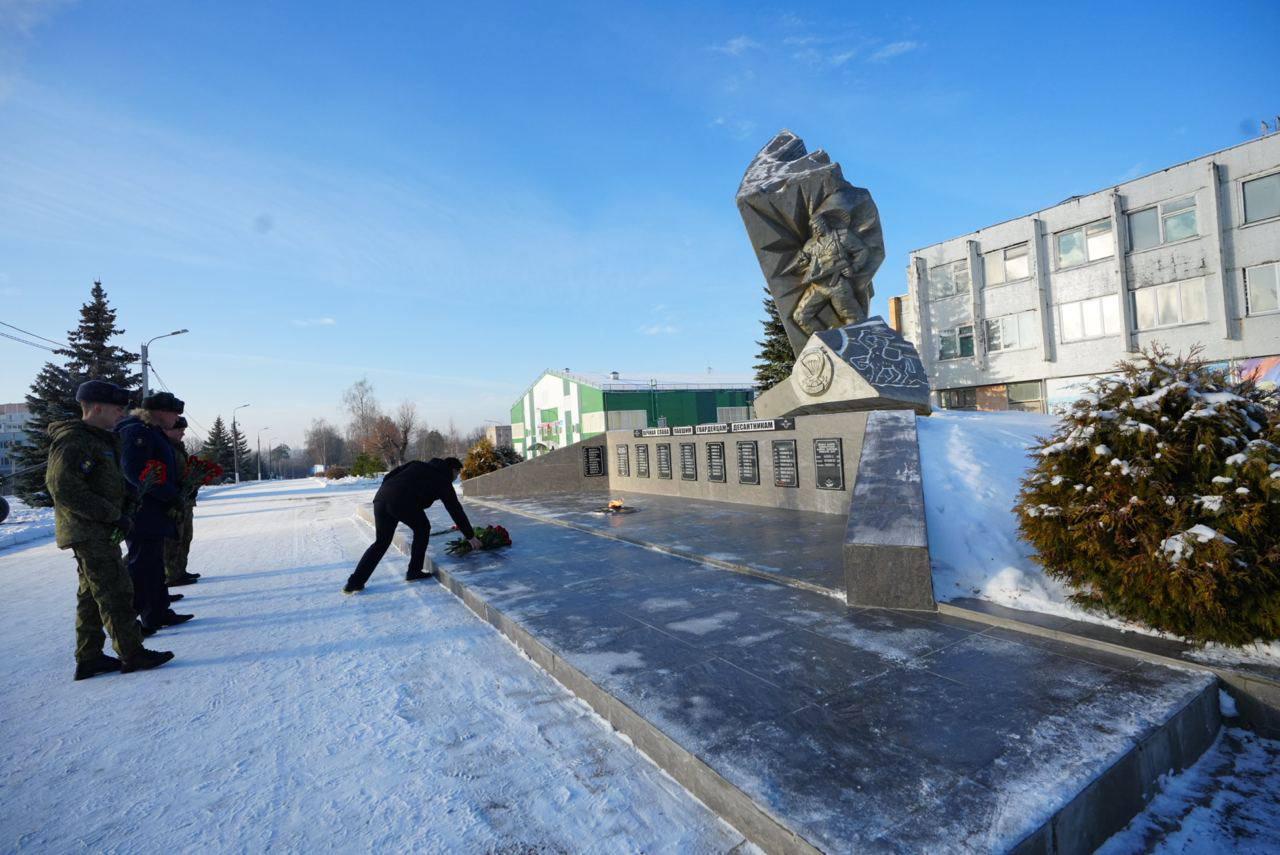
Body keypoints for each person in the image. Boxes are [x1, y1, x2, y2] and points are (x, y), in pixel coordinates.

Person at [46, 380, 174, 680]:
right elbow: (62, 487)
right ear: (96, 407)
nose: (122, 413)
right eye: (118, 408)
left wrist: (128, 497)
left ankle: (89, 657)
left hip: (99, 529)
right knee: (116, 591)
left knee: (91, 595)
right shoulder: (74, 440)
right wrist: (112, 515)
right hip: (89, 530)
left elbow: (110, 480)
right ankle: (132, 653)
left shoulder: (101, 438)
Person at [344, 456, 480, 594]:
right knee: (423, 528)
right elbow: (455, 509)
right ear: (452, 469)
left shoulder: (416, 464)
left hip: (381, 498)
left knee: (381, 542)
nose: (456, 477)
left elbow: (390, 475)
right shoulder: (443, 479)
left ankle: (354, 582)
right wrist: (470, 536)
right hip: (401, 501)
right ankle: (414, 571)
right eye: (457, 474)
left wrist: (390, 492)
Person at [117, 391, 193, 633]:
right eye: (175, 413)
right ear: (160, 412)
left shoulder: (151, 431)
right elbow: (135, 471)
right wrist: (168, 495)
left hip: (153, 509)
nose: (177, 419)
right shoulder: (137, 431)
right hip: (142, 510)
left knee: (154, 562)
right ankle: (138, 620)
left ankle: (158, 612)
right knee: (142, 565)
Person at [162, 416, 199, 589]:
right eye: (179, 430)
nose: (182, 434)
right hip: (173, 501)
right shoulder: (164, 447)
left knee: (185, 537)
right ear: (167, 429)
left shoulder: (178, 448)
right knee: (172, 541)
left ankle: (179, 571)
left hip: (185, 500)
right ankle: (171, 574)